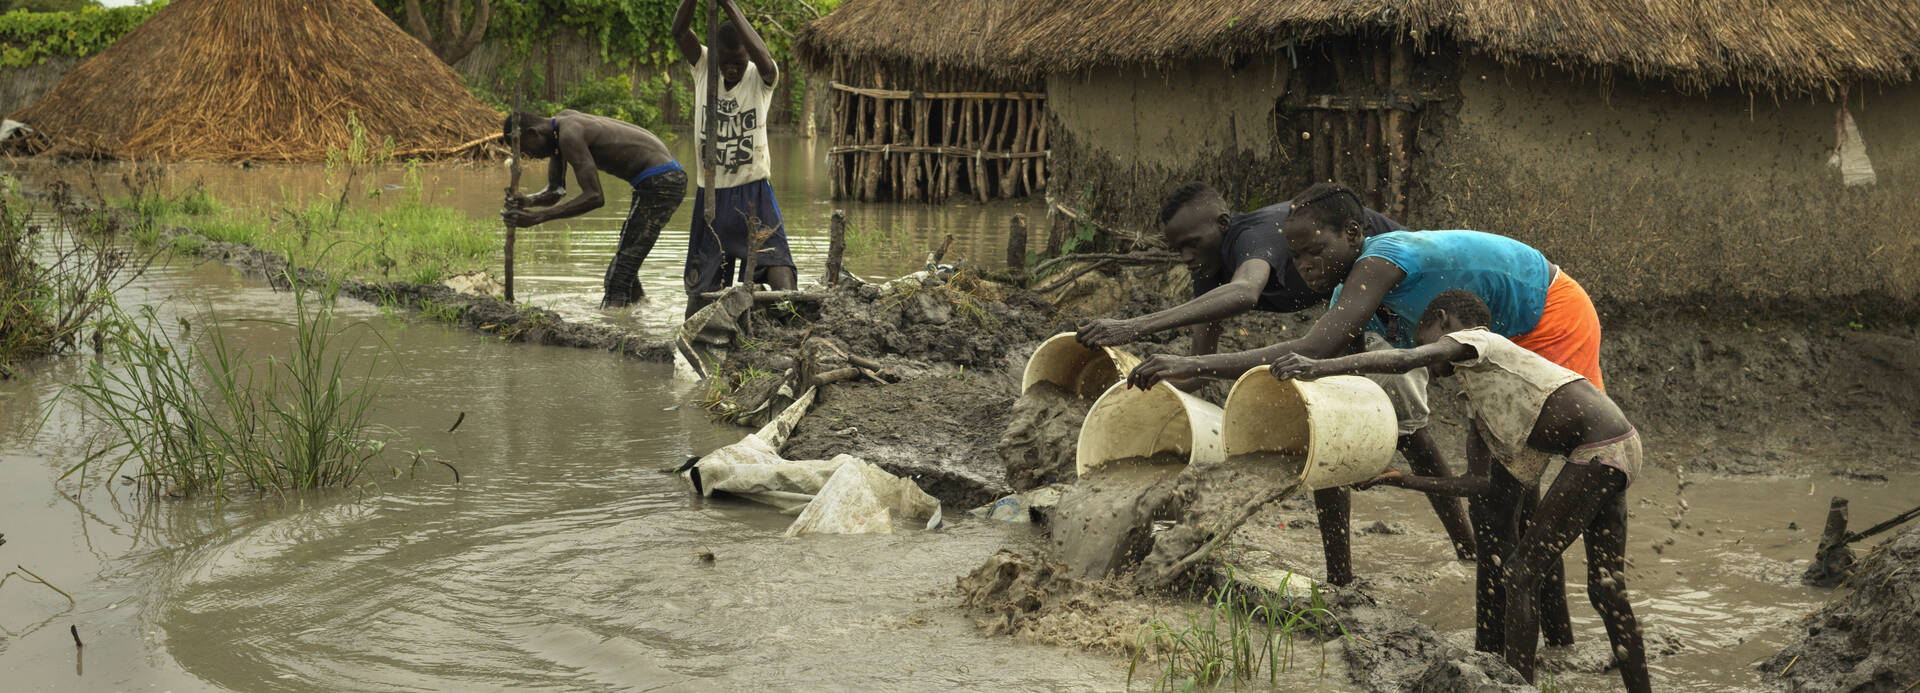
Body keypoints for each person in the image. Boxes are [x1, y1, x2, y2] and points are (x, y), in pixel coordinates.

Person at [1126, 181, 1601, 651]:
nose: (1305, 265)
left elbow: (1311, 349)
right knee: (1511, 497)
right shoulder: (1347, 295)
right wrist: (1338, 584)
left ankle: (1502, 659)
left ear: (1352, 235)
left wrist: (1190, 364)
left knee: (1502, 505)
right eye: (1296, 256)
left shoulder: (1378, 263)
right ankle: (1551, 648)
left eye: (1316, 250)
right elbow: (1333, 400)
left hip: (1546, 317)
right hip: (1488, 340)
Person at [1077, 182, 1477, 571]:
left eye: (1192, 243)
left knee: (1408, 429)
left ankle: (1467, 547)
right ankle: (1340, 577)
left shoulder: (1252, 236)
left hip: (1399, 297)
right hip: (1347, 307)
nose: (1185, 256)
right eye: (1176, 248)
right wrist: (1131, 390)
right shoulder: (1210, 268)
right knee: (1325, 424)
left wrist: (1134, 327)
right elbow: (1199, 368)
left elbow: (1246, 293)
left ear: (1222, 224)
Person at [1272, 290, 1649, 692]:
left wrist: (1319, 366)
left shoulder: (1480, 341)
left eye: (1426, 342)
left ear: (1444, 321)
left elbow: (1402, 361)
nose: (1428, 364)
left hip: (1597, 448)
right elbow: (1477, 484)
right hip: (1616, 445)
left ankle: (1515, 687)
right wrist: (1399, 479)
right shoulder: (1483, 402)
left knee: (1521, 573)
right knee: (1606, 588)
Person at [672, 0, 797, 316]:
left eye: (738, 63)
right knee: (702, 289)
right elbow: (679, 31)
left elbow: (763, 57)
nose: (731, 68)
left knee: (779, 268)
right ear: (716, 59)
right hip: (710, 193)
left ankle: (788, 320)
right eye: (725, 62)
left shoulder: (761, 77)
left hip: (752, 190)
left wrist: (727, 4)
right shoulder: (704, 68)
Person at [499, 110, 684, 309]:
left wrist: (537, 217)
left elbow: (595, 197)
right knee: (626, 264)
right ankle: (639, 311)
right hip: (656, 180)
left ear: (533, 133)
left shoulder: (569, 134)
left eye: (527, 150)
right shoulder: (558, 131)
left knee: (616, 279)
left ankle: (615, 327)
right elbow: (556, 190)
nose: (530, 156)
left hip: (662, 180)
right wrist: (527, 201)